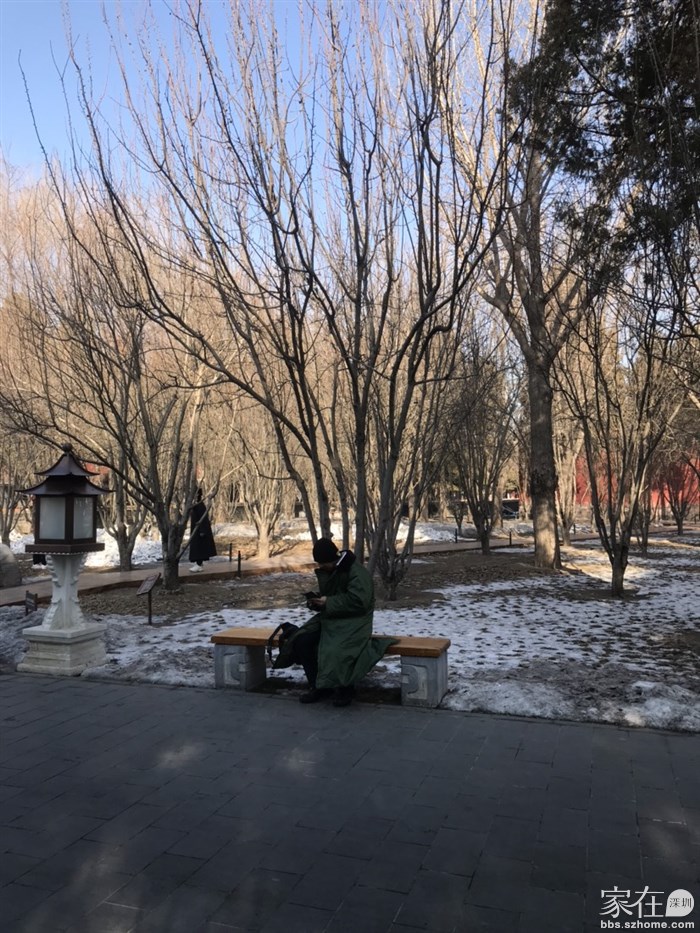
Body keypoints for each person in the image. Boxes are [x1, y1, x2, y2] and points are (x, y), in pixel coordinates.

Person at [274, 538, 396, 707]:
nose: (321, 567)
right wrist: (317, 603)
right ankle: (319, 686)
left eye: (323, 563)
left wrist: (328, 602)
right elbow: (332, 596)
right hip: (332, 617)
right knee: (302, 640)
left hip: (355, 621)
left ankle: (346, 689)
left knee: (336, 649)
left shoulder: (356, 572)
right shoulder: (333, 569)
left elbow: (359, 602)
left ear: (332, 559)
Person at [188, 489, 217, 572]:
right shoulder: (196, 505)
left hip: (199, 531)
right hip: (196, 530)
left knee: (199, 548)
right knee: (197, 548)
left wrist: (202, 531)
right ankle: (198, 564)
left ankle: (199, 564)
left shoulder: (200, 505)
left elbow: (203, 518)